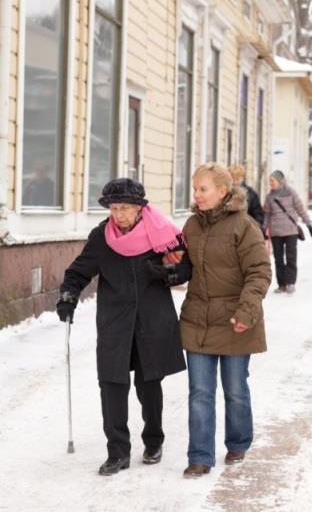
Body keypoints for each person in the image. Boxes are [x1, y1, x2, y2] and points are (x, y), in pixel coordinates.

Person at [56, 178, 191, 476]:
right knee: (111, 384)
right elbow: (78, 272)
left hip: (151, 320)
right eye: (114, 208)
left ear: (140, 208)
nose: (119, 215)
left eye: (126, 208)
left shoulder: (162, 234)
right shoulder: (102, 237)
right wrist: (68, 297)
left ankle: (153, 439)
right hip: (115, 322)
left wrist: (164, 273)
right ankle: (117, 451)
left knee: (149, 384)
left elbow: (184, 268)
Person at [179, 163, 271, 478]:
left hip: (235, 319)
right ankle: (200, 456)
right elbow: (186, 268)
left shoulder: (244, 226)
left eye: (203, 189)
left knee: (234, 389)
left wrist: (246, 312)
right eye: (195, 189)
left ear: (222, 191)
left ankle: (238, 442)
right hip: (199, 319)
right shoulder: (191, 225)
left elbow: (259, 272)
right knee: (200, 392)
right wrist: (169, 268)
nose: (197, 195)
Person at [263, 170, 312, 294]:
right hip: (276, 232)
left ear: (279, 181)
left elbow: (300, 208)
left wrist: (308, 223)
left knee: (291, 258)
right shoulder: (270, 197)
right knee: (278, 259)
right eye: (269, 181)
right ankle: (281, 285)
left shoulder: (291, 193)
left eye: (272, 180)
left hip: (291, 231)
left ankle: (290, 283)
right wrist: (264, 228)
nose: (270, 183)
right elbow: (267, 215)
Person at [229, 164, 265, 230]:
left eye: (237, 179)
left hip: (245, 229)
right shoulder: (225, 192)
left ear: (242, 178)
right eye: (232, 179)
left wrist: (254, 227)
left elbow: (257, 214)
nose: (234, 182)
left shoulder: (251, 194)